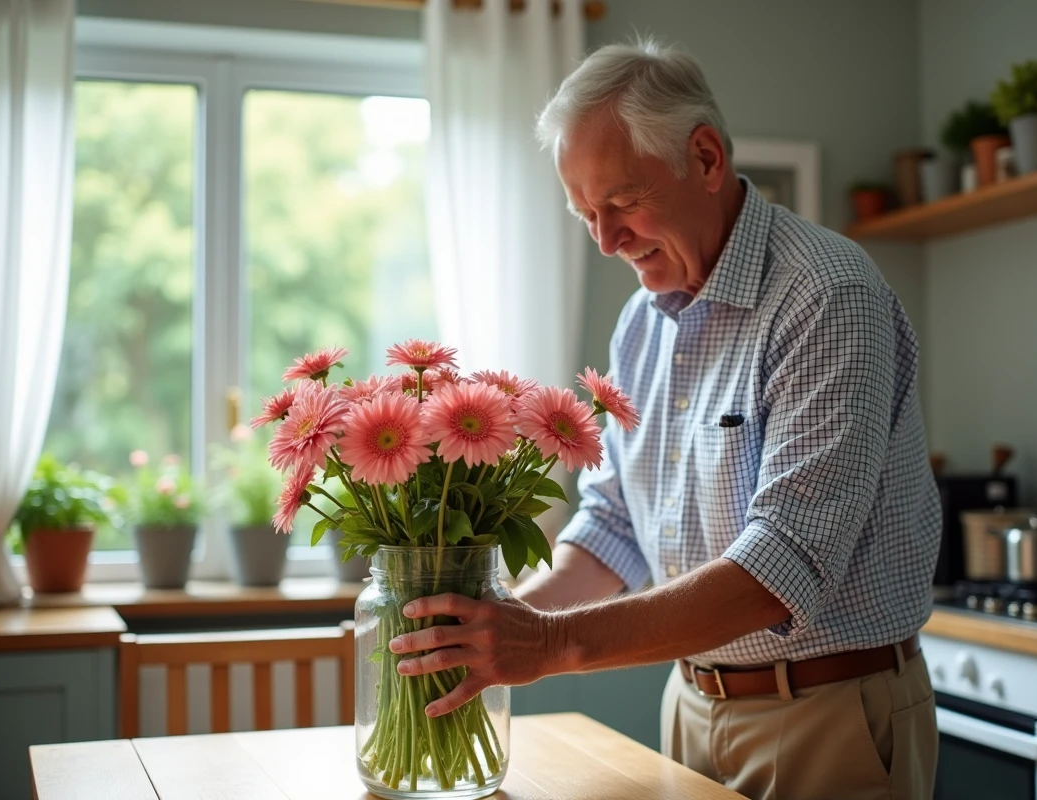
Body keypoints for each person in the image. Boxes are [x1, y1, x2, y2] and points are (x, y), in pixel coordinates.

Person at [388, 37, 942, 800]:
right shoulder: (641, 324)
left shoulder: (827, 296)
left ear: (706, 159)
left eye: (621, 203)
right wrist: (490, 625)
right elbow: (612, 527)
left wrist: (544, 644)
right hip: (688, 707)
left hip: (826, 713)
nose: (607, 241)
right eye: (585, 213)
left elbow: (777, 571)